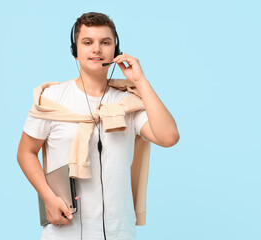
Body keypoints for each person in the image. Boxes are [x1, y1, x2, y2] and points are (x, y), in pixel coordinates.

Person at [17, 12, 180, 240]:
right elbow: (25, 152)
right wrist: (48, 198)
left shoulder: (128, 103)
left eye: (105, 42)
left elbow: (169, 137)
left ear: (116, 50)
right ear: (75, 51)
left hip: (119, 231)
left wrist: (140, 81)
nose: (96, 49)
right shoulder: (52, 99)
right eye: (87, 42)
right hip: (65, 230)